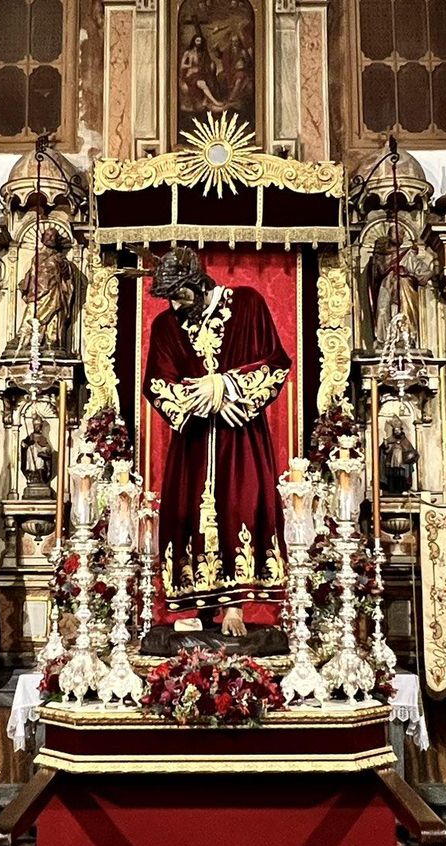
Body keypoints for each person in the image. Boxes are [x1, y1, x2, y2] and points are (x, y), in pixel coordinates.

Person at [144, 247, 290, 638]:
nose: (175, 305)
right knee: (186, 512)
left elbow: (274, 361)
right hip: (192, 440)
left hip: (240, 436)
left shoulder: (247, 305)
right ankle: (194, 604)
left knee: (239, 505)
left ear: (197, 283)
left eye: (180, 294)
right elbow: (157, 383)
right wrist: (205, 402)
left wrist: (225, 386)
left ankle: (234, 605)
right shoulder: (166, 326)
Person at [19, 414, 56, 499]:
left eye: (38, 426)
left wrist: (43, 450)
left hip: (40, 457)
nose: (37, 427)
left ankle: (40, 477)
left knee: (40, 464)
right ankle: (32, 475)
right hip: (31, 457)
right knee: (31, 452)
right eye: (35, 426)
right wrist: (24, 444)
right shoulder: (31, 436)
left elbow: (48, 449)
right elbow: (24, 444)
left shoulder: (43, 438)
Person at [379, 421, 418, 494]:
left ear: (401, 430)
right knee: (391, 475)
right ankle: (391, 490)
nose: (397, 432)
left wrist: (409, 455)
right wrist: (385, 446)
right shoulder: (390, 439)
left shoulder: (405, 440)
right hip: (391, 461)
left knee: (401, 475)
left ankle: (402, 489)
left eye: (398, 430)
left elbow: (411, 450)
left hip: (402, 462)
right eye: (395, 430)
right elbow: (384, 449)